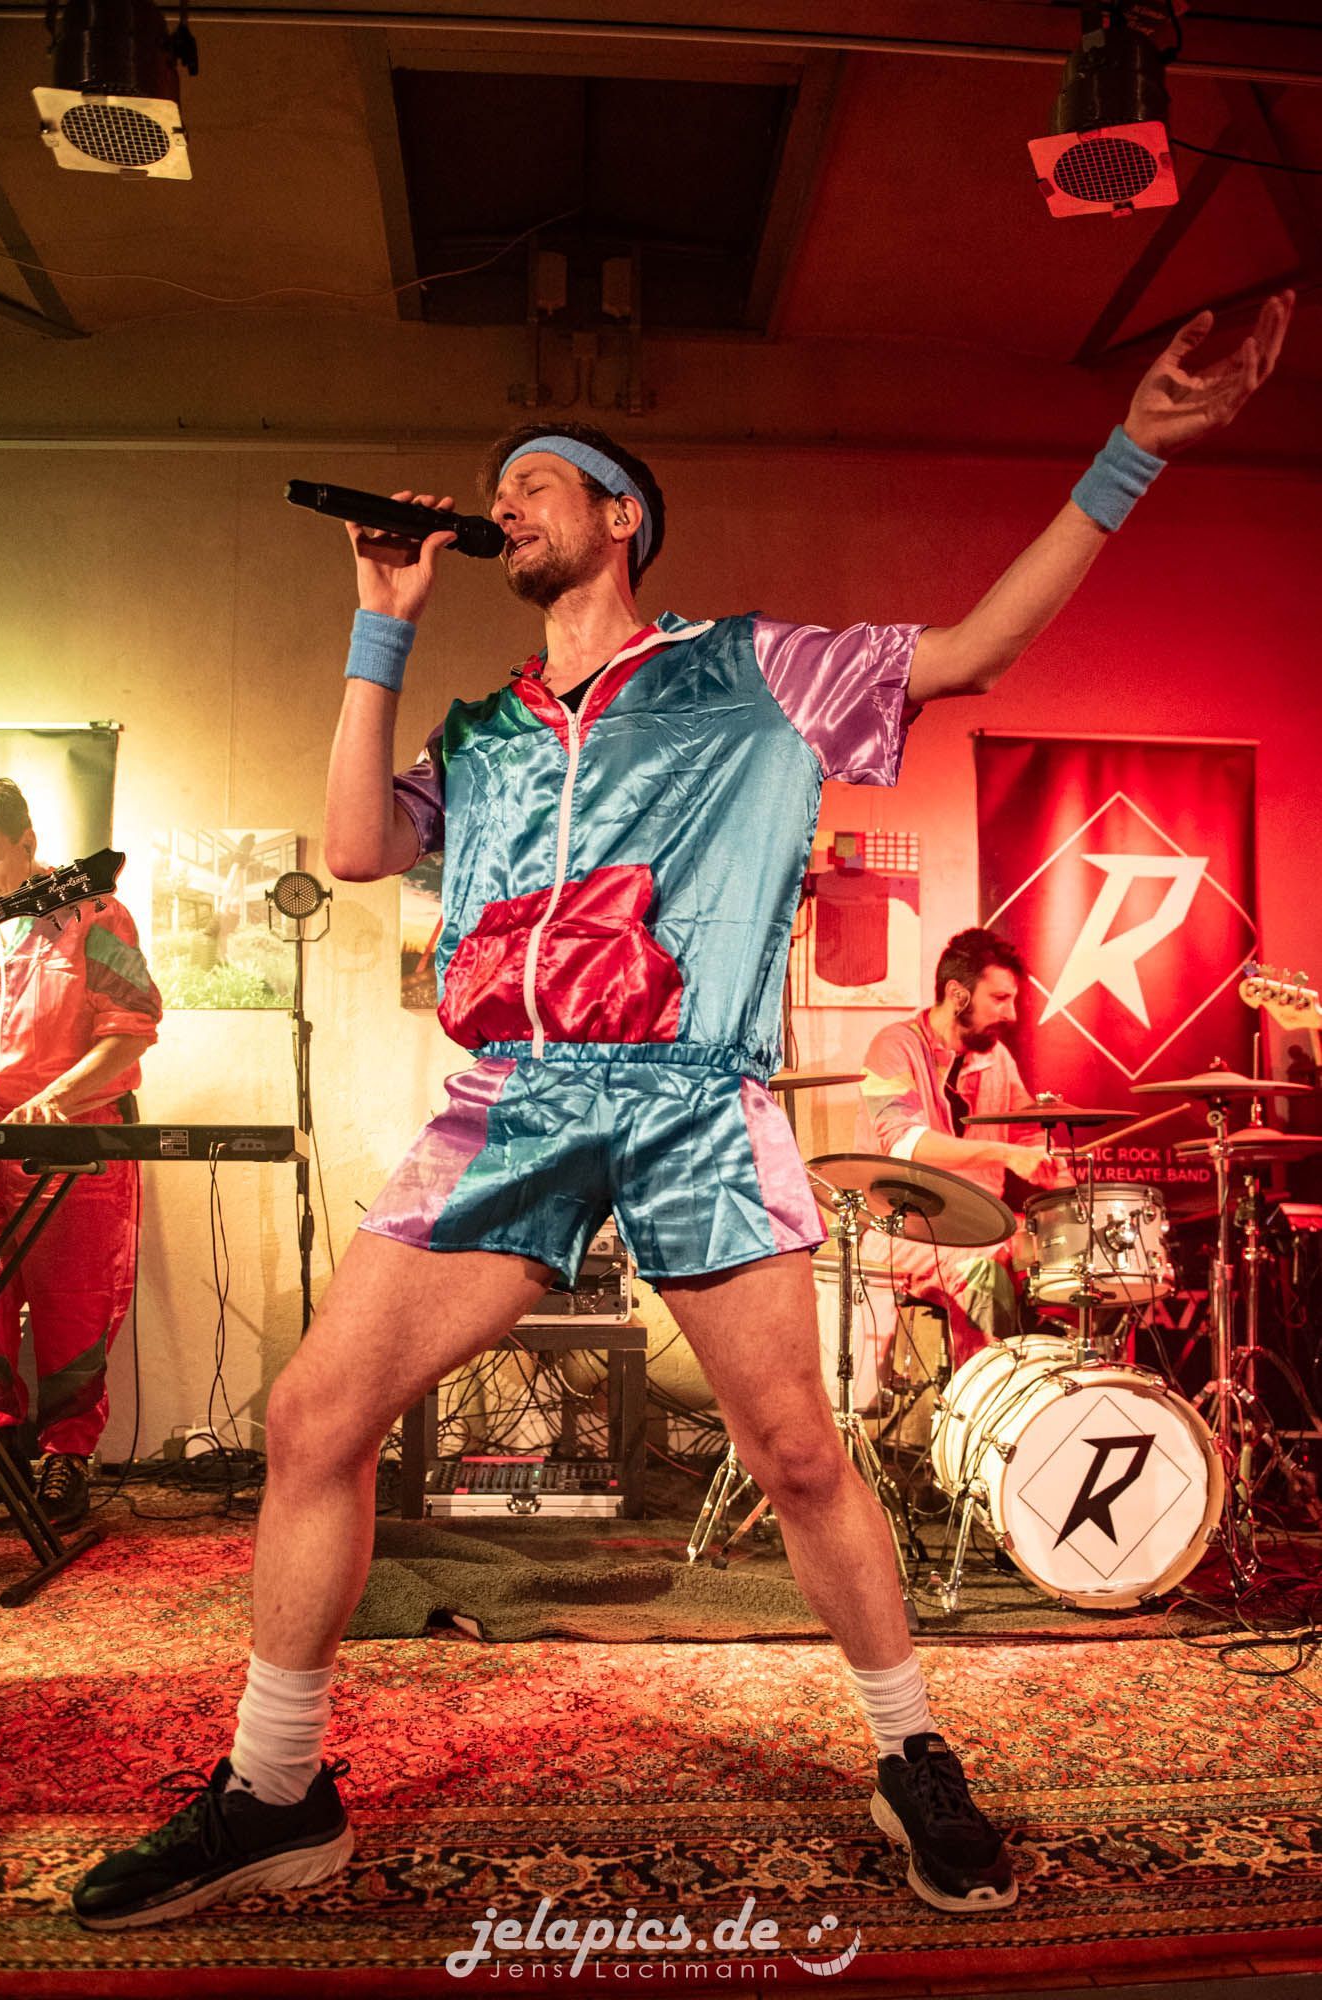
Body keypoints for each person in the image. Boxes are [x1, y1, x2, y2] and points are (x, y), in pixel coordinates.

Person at [72, 293, 1292, 1932]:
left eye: (535, 480)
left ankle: (910, 1751)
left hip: (690, 1096)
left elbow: (973, 651)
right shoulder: (488, 728)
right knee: (311, 1419)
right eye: (495, 488)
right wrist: (379, 625)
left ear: (620, 516)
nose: (503, 502)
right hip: (511, 1097)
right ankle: (275, 1791)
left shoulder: (749, 669)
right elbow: (357, 848)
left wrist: (1131, 447)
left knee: (795, 1451)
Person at [0, 778, 161, 1528]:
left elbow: (133, 1025)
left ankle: (66, 1459)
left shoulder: (97, 914)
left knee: (74, 1308)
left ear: (27, 843)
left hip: (74, 1147)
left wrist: (58, 1096)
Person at [855, 926, 1063, 1369]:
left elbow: (1025, 1132)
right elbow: (902, 1142)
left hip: (981, 1227)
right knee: (984, 1262)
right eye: (999, 998)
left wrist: (1057, 1176)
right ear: (957, 994)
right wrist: (1005, 1155)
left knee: (1070, 1254)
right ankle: (986, 1392)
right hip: (899, 1230)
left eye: (1012, 999)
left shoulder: (996, 1057)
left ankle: (1059, 1384)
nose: (1011, 1013)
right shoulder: (893, 1046)